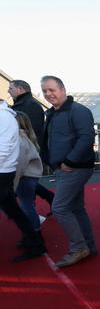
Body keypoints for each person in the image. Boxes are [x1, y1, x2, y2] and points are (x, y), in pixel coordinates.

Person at [41, 75, 97, 268]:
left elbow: (86, 137)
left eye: (52, 90)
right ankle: (89, 245)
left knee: (59, 208)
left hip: (75, 167)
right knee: (75, 207)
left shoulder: (78, 110)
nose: (48, 94)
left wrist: (69, 161)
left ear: (63, 90)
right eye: (45, 91)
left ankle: (78, 247)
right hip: (64, 167)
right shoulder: (53, 113)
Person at [0, 101, 47, 262]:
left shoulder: (5, 118)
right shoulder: (10, 121)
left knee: (24, 207)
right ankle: (35, 241)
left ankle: (36, 239)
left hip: (12, 175)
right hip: (15, 175)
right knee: (16, 210)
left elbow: (7, 153)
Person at [8, 79, 54, 214]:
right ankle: (46, 199)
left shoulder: (31, 106)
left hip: (27, 151)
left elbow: (31, 130)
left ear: (21, 89)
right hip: (22, 150)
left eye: (11, 88)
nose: (8, 91)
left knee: (25, 182)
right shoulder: (21, 105)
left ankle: (32, 220)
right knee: (26, 181)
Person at [13, 112, 48, 258]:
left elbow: (19, 165)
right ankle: (33, 236)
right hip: (28, 177)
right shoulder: (24, 137)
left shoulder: (20, 140)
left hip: (25, 177)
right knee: (27, 206)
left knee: (27, 206)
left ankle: (35, 237)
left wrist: (12, 185)